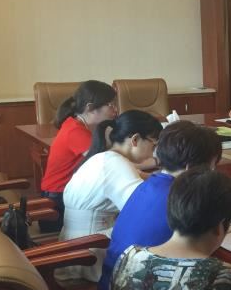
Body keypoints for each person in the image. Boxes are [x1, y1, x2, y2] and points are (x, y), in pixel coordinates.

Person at [98, 121, 231, 290]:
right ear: (192, 168)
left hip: (116, 288)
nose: (213, 173)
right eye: (212, 167)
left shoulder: (151, 184)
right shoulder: (188, 198)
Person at [59, 110, 162, 281]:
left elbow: (144, 180)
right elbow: (143, 208)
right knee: (161, 237)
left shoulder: (104, 158)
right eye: (153, 145)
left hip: (76, 245)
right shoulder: (115, 164)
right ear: (135, 139)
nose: (153, 153)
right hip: (90, 253)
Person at [39, 80, 117, 232]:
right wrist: (152, 161)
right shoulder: (75, 131)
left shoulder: (79, 124)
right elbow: (107, 163)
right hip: (56, 204)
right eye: (110, 105)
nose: (115, 109)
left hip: (66, 194)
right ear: (90, 108)